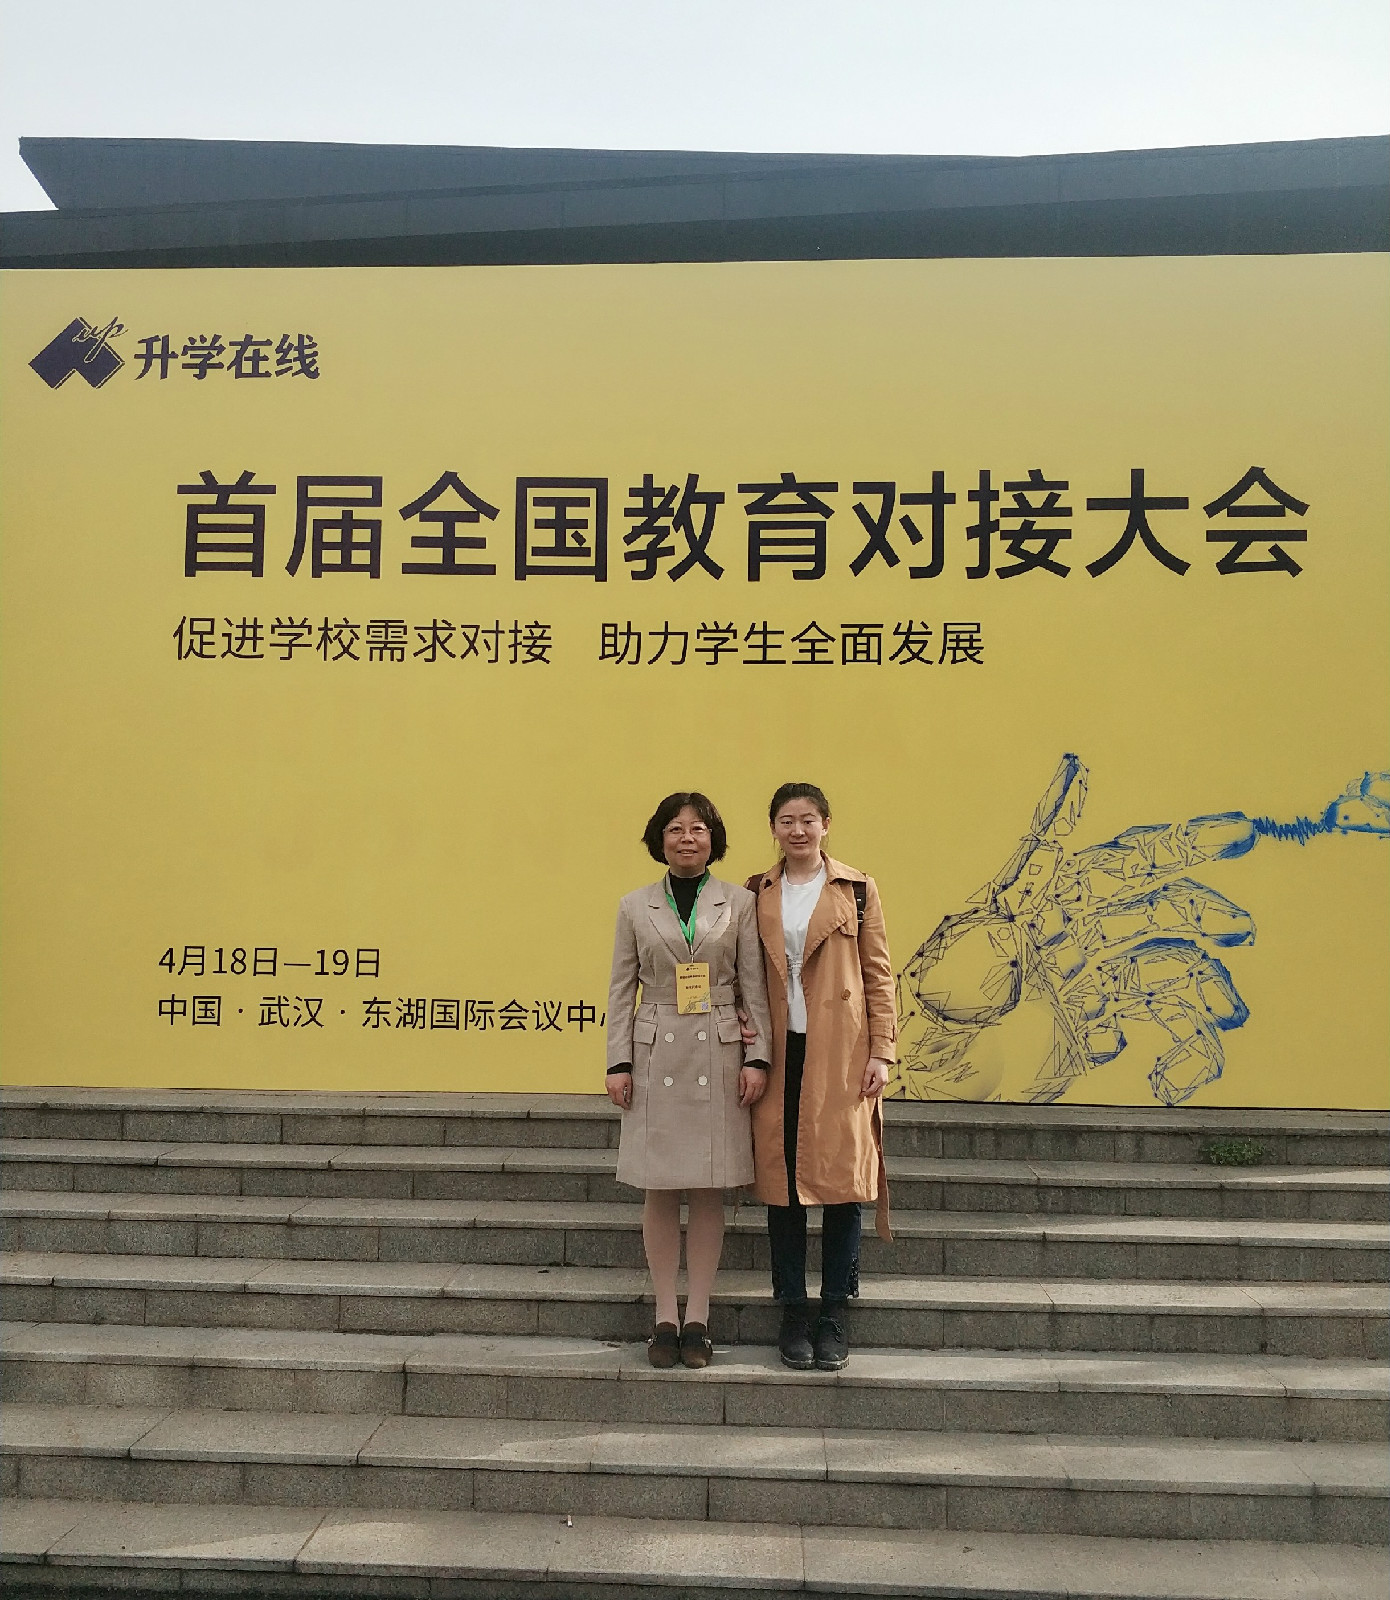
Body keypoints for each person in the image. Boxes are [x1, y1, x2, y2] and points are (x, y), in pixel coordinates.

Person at [606, 792, 772, 1369]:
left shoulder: (740, 903)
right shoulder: (634, 906)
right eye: (675, 829)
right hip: (654, 1054)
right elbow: (620, 990)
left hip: (719, 1052)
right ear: (660, 839)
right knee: (658, 1186)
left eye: (698, 828)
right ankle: (663, 1317)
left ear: (712, 839)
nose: (687, 838)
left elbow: (754, 985)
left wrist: (759, 1058)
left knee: (707, 1187)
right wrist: (618, 1063)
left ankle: (698, 1318)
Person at [744, 782, 895, 1371]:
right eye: (787, 820)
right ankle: (792, 1311)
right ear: (774, 829)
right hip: (780, 1051)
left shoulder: (856, 889)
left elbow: (879, 974)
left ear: (826, 824)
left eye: (808, 819)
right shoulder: (757, 891)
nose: (798, 830)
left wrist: (881, 1051)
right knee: (782, 1185)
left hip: (842, 1053)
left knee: (843, 1184)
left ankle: (834, 1312)